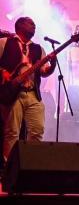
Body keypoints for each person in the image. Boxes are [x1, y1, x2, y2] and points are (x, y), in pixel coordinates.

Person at [0, 17, 57, 162]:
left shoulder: (38, 49)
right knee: (12, 133)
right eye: (30, 23)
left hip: (32, 94)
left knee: (37, 131)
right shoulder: (4, 43)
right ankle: (9, 169)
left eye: (34, 24)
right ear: (19, 25)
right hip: (12, 94)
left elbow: (44, 72)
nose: (34, 25)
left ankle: (31, 166)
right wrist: (3, 72)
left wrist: (53, 64)